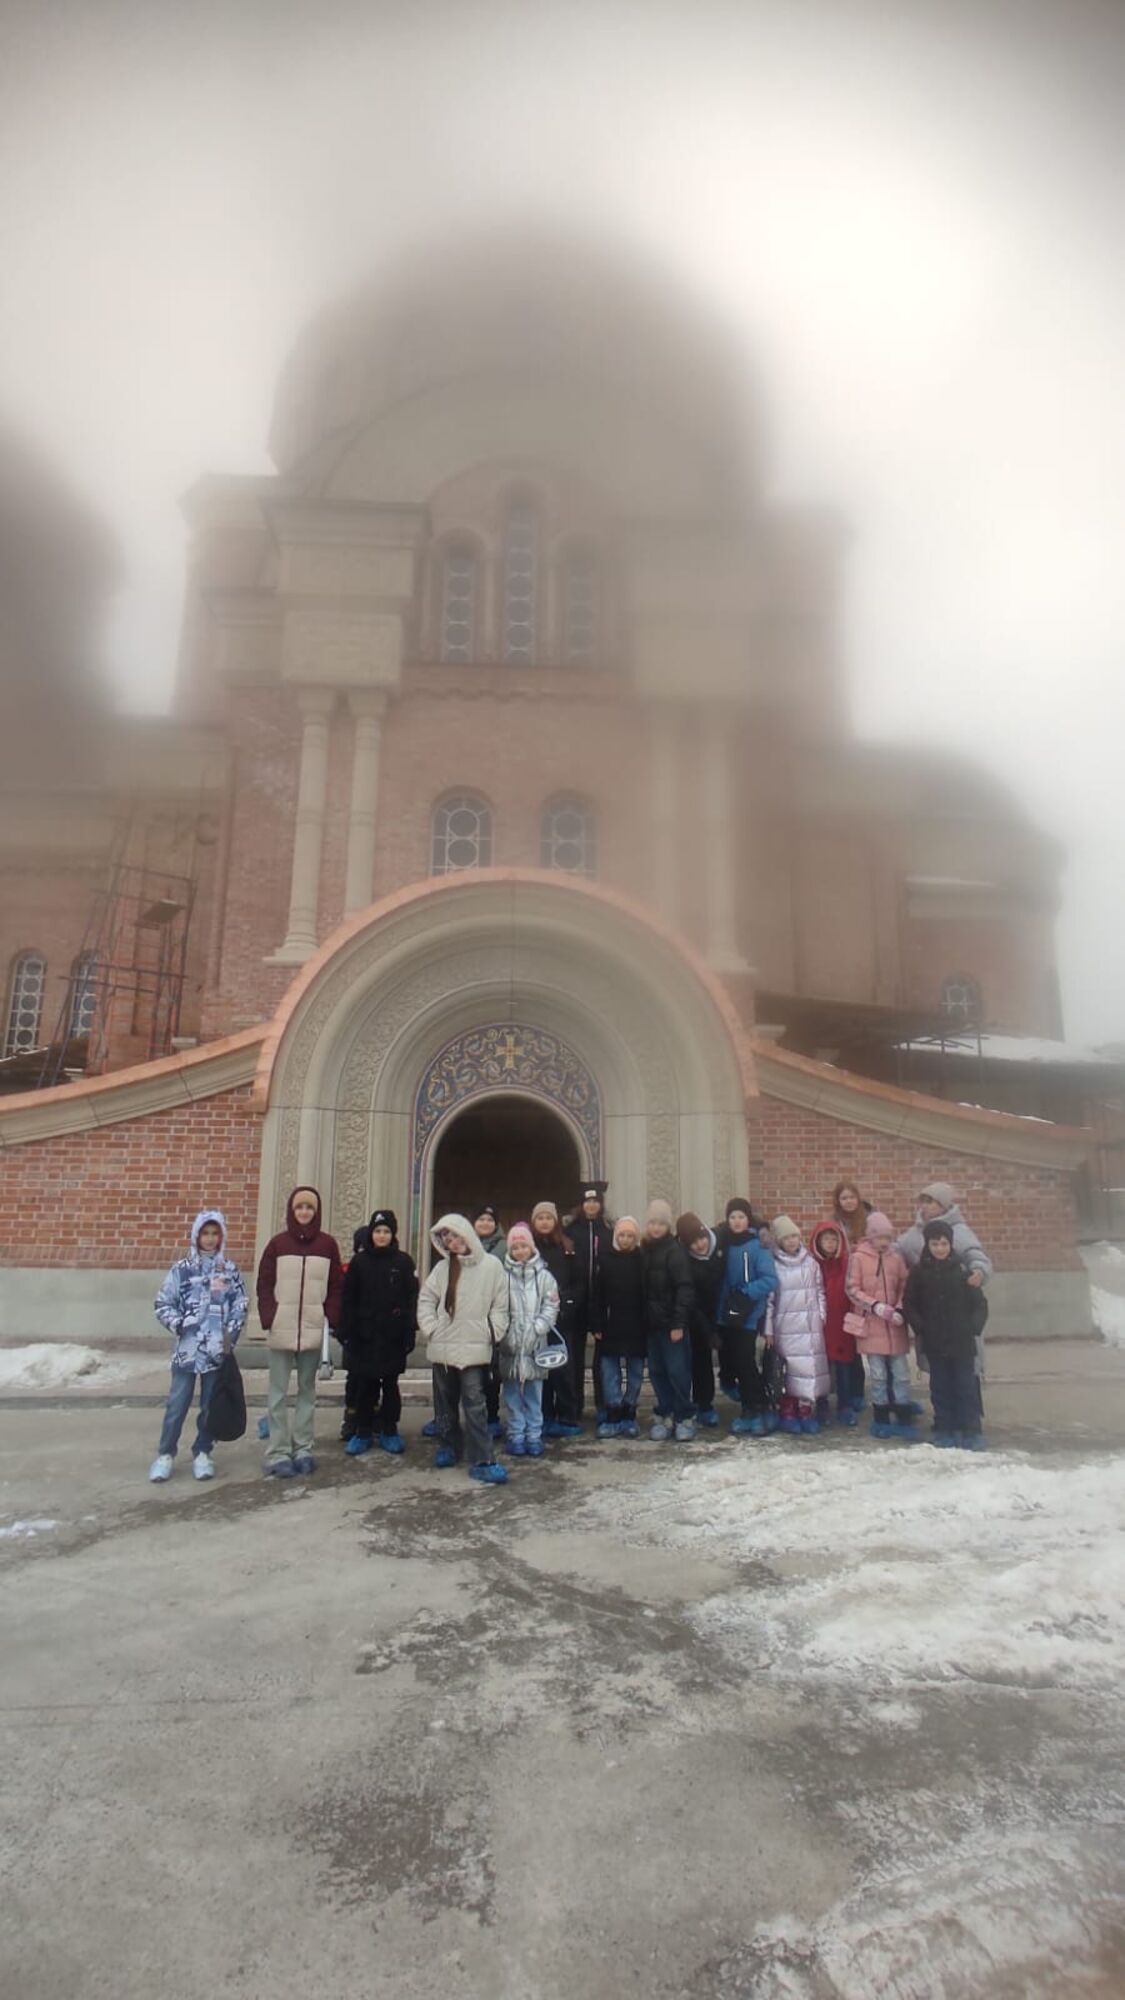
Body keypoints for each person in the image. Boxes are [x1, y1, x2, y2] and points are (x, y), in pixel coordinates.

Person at [150, 1209, 248, 1482]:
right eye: (205, 1233)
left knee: (209, 1405)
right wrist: (179, 1324)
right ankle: (165, 1453)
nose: (210, 1238)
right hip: (187, 1350)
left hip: (216, 1352)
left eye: (215, 1233)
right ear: (196, 1235)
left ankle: (203, 1451)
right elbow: (163, 1303)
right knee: (177, 1405)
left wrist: (229, 1337)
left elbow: (240, 1304)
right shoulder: (182, 1270)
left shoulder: (229, 1270)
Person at [256, 1187, 344, 1478]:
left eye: (309, 1208)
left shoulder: (327, 1245)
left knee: (307, 1391)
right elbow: (264, 1283)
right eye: (299, 1207)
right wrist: (270, 1316)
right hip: (282, 1327)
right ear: (292, 1211)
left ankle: (303, 1448)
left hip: (312, 1328)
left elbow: (335, 1285)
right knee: (278, 1394)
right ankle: (278, 1451)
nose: (304, 1212)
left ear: (316, 1212)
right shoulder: (278, 1245)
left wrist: (329, 1315)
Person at [417, 1212, 510, 1483]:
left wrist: (492, 1331)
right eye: (447, 1239)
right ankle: (449, 1446)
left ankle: (482, 1457)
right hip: (443, 1347)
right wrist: (432, 1328)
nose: (452, 1242)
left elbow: (501, 1305)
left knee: (475, 1403)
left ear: (466, 1233)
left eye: (455, 1235)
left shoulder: (492, 1266)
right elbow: (426, 1299)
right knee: (444, 1402)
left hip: (475, 1348)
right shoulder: (443, 1268)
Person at [903, 1219, 990, 1449]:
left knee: (965, 1386)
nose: (940, 1249)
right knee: (940, 1387)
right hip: (935, 1341)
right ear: (927, 1245)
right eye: (935, 1244)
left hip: (962, 1342)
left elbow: (979, 1304)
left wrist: (973, 1327)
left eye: (944, 1244)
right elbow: (910, 1303)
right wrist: (921, 1327)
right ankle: (944, 1427)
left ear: (950, 1244)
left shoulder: (962, 1270)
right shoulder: (919, 1272)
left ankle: (971, 1429)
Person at [338, 1209, 418, 1457]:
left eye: (386, 1231)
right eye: (377, 1231)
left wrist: (409, 1330)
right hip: (365, 1335)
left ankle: (389, 1429)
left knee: (390, 1385)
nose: (381, 1236)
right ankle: (363, 1431)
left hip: (393, 1336)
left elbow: (411, 1298)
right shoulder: (359, 1263)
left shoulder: (403, 1262)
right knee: (366, 1385)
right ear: (371, 1234)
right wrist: (346, 1331)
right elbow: (348, 1298)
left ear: (393, 1234)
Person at [846, 1211, 915, 1439]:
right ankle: (881, 1416)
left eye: (887, 1237)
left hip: (895, 1326)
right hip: (872, 1325)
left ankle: (903, 1414)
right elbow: (852, 1289)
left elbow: (905, 1285)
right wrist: (875, 1306)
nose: (884, 1242)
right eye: (879, 1238)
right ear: (870, 1237)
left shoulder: (896, 1258)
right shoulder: (858, 1258)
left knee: (901, 1373)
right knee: (878, 1375)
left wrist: (900, 1308)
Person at [715, 1197, 778, 1436]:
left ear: (748, 1219)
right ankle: (749, 1406)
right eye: (732, 1217)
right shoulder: (724, 1244)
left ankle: (757, 1409)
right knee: (732, 1363)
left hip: (747, 1315)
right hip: (726, 1315)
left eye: (741, 1217)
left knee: (746, 1363)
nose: (737, 1221)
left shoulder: (757, 1246)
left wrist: (746, 1293)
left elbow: (770, 1279)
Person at [498, 1222, 560, 1458]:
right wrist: (505, 1332)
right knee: (512, 1394)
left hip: (535, 1345)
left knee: (535, 1394)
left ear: (531, 1247)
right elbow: (498, 1307)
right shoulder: (502, 1277)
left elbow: (551, 1305)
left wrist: (539, 1327)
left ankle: (534, 1434)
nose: (520, 1251)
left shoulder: (544, 1276)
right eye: (515, 1247)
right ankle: (516, 1434)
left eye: (524, 1246)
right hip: (511, 1346)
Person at [765, 1217, 830, 1435]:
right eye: (786, 1238)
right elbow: (770, 1300)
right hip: (785, 1327)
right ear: (779, 1241)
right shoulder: (774, 1265)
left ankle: (805, 1411)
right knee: (789, 1371)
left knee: (808, 1370)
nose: (792, 1241)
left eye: (794, 1236)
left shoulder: (811, 1263)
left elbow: (820, 1291)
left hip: (810, 1327)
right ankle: (787, 1411)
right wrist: (769, 1329)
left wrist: (821, 1315)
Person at [641, 1199, 697, 1442]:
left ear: (668, 1226)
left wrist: (678, 1323)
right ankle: (665, 1413)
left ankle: (684, 1416)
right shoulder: (644, 1250)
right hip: (651, 1325)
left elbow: (684, 1289)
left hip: (671, 1326)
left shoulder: (675, 1252)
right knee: (657, 1372)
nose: (656, 1228)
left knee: (678, 1371)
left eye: (661, 1224)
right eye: (652, 1223)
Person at [530, 1201, 586, 1436]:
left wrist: (570, 1302)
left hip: (562, 1318)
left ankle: (567, 1417)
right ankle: (544, 1415)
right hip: (535, 1319)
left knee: (563, 1369)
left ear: (555, 1221)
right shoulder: (528, 1248)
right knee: (540, 1369)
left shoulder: (567, 1247)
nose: (544, 1222)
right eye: (540, 1218)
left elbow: (580, 1280)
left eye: (548, 1218)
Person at [593, 1215, 647, 1437]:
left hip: (637, 1324)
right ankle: (613, 1412)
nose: (625, 1239)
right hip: (611, 1323)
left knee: (635, 1372)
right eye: (622, 1235)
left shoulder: (642, 1260)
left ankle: (629, 1412)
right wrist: (597, 1323)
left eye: (630, 1236)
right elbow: (597, 1295)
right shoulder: (605, 1260)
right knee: (609, 1372)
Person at [569, 1182, 614, 1422]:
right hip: (576, 1302)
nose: (592, 1205)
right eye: (588, 1201)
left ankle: (603, 1404)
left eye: (595, 1201)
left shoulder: (608, 1231)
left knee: (602, 1358)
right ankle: (574, 1405)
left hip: (601, 1302)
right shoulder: (570, 1232)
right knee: (574, 1357)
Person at [676, 1210, 723, 1426]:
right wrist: (707, 1331)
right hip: (698, 1316)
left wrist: (761, 1230)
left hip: (724, 1310)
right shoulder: (685, 1260)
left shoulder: (720, 1241)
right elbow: (692, 1299)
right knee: (700, 1360)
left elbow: (740, 1225)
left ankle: (731, 1384)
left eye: (701, 1238)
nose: (699, 1245)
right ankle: (703, 1404)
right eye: (693, 1243)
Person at [810, 1219, 857, 1425]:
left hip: (842, 1322)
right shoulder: (813, 1265)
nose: (830, 1244)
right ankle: (822, 1405)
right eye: (826, 1240)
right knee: (823, 1367)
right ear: (818, 1242)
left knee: (844, 1366)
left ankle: (845, 1404)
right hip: (821, 1323)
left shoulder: (847, 1263)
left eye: (833, 1239)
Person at [831, 1180, 873, 1409]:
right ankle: (852, 1391)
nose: (848, 1202)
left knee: (871, 1341)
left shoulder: (869, 1220)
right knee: (849, 1339)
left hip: (868, 1284)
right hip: (843, 1284)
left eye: (851, 1197)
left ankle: (883, 1393)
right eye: (844, 1198)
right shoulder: (834, 1222)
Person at [472, 1204, 507, 1438]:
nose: (485, 1223)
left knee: (491, 1372)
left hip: (493, 1317)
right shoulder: (463, 1245)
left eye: (489, 1220)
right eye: (481, 1219)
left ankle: (492, 1417)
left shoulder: (504, 1248)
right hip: (467, 1318)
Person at [339, 1224, 372, 1444]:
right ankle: (351, 1418)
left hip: (375, 1334)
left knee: (374, 1380)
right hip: (353, 1334)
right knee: (353, 1379)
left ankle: (373, 1416)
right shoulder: (347, 1270)